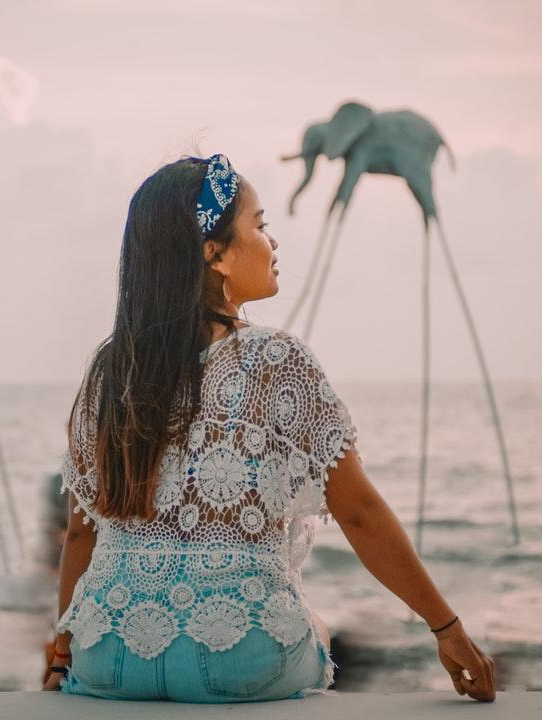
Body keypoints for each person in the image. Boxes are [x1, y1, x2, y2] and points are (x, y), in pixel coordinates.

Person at [44, 154, 496, 703]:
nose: (273, 243)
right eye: (259, 226)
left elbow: (81, 531)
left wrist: (64, 644)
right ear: (215, 255)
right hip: (238, 659)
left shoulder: (111, 368)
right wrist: (447, 630)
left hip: (109, 658)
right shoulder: (277, 360)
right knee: (315, 628)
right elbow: (359, 512)